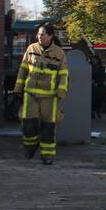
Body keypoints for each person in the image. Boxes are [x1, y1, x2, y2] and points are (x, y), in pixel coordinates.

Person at [13, 23, 68, 165]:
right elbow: (23, 69)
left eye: (42, 34)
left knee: (48, 127)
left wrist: (61, 91)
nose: (39, 37)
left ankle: (47, 155)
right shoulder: (31, 49)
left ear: (50, 36)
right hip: (30, 94)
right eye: (38, 34)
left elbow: (63, 74)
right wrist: (18, 88)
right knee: (27, 124)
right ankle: (30, 146)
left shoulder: (59, 53)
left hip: (49, 96)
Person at [90, 54, 106, 119]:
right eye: (92, 59)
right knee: (93, 99)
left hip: (99, 86)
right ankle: (93, 112)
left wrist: (98, 83)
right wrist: (91, 80)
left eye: (94, 59)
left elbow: (103, 77)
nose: (93, 60)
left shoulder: (101, 68)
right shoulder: (89, 67)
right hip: (92, 86)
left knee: (99, 99)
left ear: (97, 60)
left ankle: (98, 111)